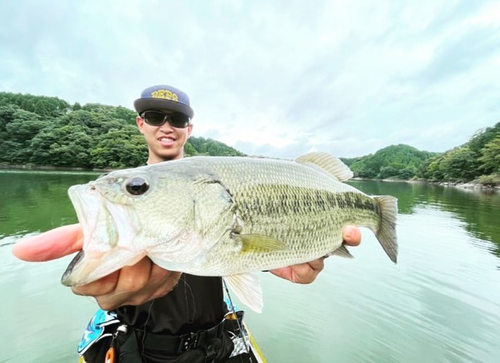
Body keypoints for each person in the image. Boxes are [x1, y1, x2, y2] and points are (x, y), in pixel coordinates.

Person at [13, 85, 362, 362]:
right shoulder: (119, 199)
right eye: (154, 116)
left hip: (217, 347)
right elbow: (102, 275)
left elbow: (255, 250)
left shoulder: (223, 188)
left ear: (189, 129)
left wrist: (296, 263)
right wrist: (105, 289)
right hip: (141, 349)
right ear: (140, 123)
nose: (166, 126)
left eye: (178, 119)